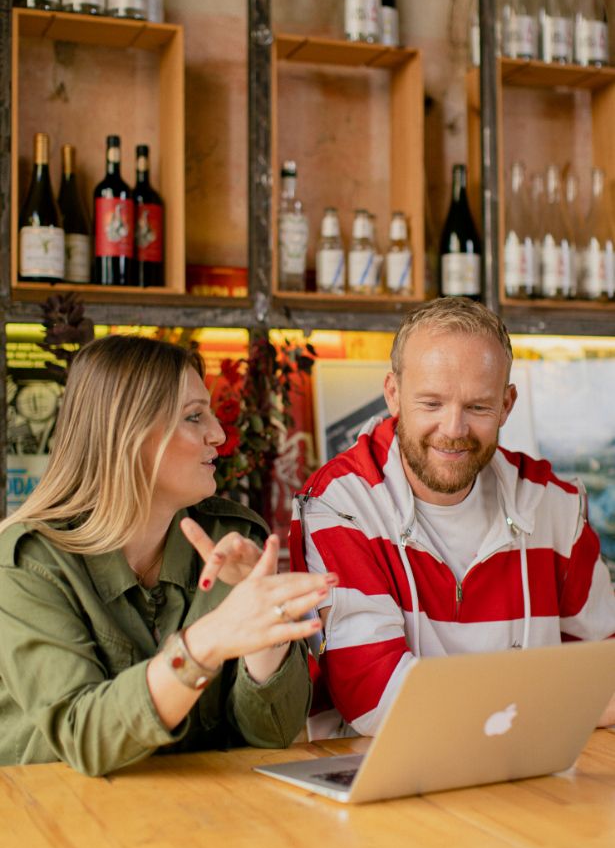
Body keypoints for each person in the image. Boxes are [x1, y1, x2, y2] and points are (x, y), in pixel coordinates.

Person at [0, 335, 333, 775]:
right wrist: (207, 641)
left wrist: (267, 630)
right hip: (56, 822)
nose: (218, 434)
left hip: (196, 818)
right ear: (129, 437)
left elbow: (270, 737)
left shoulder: (231, 538)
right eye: (194, 417)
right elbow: (84, 735)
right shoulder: (29, 560)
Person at [289, 296, 615, 738]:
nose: (454, 429)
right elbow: (379, 700)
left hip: (533, 779)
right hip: (384, 788)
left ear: (506, 405)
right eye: (432, 403)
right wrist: (562, 702)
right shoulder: (339, 504)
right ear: (392, 394)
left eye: (478, 407)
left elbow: (605, 673)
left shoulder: (552, 503)